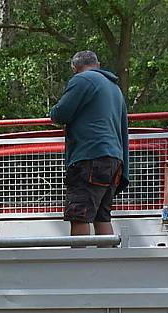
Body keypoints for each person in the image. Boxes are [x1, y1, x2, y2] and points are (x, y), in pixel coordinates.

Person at [49, 50, 129, 237]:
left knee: (79, 214)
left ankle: (78, 264)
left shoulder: (82, 80)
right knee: (102, 217)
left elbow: (60, 114)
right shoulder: (115, 88)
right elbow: (123, 126)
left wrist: (53, 112)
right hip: (113, 160)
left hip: (90, 157)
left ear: (74, 68)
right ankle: (108, 264)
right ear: (98, 64)